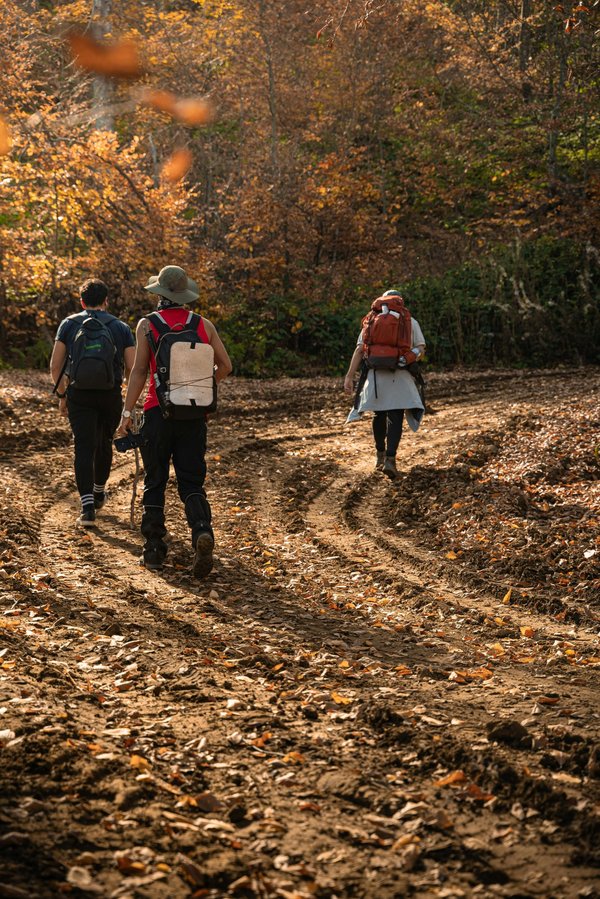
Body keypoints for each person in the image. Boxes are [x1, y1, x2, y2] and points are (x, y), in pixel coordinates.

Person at [118, 265, 232, 577]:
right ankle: (201, 531)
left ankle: (154, 549)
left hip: (158, 411)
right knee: (191, 481)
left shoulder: (147, 325)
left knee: (155, 479)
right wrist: (200, 385)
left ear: (159, 293)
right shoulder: (202, 324)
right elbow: (226, 365)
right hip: (194, 414)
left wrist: (127, 415)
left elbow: (139, 371)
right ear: (184, 294)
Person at [50, 278, 135, 526]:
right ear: (106, 301)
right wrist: (127, 398)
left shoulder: (69, 324)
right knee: (104, 442)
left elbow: (55, 366)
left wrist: (63, 396)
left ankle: (87, 507)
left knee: (83, 447)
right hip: (110, 394)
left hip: (79, 394)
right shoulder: (120, 327)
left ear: (82, 300)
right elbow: (132, 367)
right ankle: (98, 491)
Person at [344, 289, 426, 479]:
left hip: (375, 376)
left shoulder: (371, 320)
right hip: (400, 374)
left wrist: (349, 376)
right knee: (395, 415)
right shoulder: (409, 321)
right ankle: (390, 459)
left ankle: (379, 455)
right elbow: (420, 348)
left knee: (378, 414)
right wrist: (408, 358)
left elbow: (359, 350)